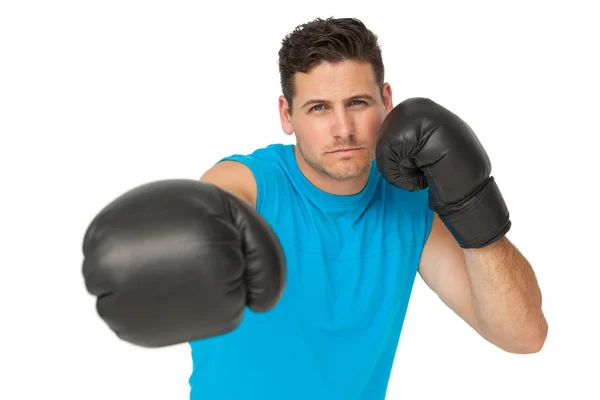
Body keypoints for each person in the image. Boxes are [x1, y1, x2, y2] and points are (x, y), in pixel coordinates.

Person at [81, 17, 548, 399]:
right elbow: (216, 199)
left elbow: (524, 336)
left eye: (358, 102)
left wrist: (472, 202)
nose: (343, 128)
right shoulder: (252, 182)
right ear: (287, 115)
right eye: (319, 108)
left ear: (387, 102)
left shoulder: (410, 203)